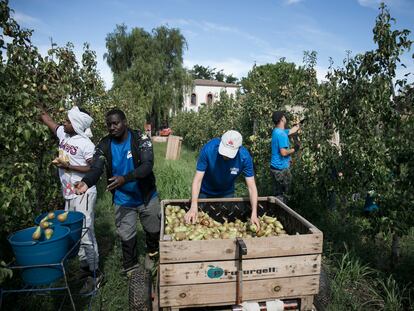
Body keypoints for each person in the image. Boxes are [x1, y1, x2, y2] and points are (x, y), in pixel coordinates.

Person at [74, 108, 160, 276]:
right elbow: (97, 167)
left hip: (146, 195)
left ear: (124, 122)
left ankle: (152, 254)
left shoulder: (141, 139)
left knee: (153, 230)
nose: (112, 127)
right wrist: (86, 182)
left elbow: (147, 166)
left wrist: (124, 179)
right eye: (109, 124)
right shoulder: (104, 144)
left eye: (115, 123)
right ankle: (131, 266)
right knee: (126, 235)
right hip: (123, 198)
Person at [40, 106, 103, 294]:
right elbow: (49, 121)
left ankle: (95, 273)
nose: (64, 123)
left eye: (67, 121)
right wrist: (37, 104)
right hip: (69, 193)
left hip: (83, 193)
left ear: (75, 125)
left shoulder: (87, 145)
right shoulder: (64, 134)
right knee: (76, 233)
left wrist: (70, 166)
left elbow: (94, 170)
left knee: (86, 231)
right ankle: (85, 271)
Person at [184, 130, 260, 228]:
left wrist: (254, 212)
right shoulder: (208, 149)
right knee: (200, 223)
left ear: (239, 149)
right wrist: (193, 206)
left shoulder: (244, 157)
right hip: (205, 192)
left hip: (226, 193)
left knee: (224, 224)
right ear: (220, 142)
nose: (226, 156)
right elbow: (197, 180)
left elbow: (251, 187)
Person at [270, 111, 300, 203]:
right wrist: (295, 149)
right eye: (284, 116)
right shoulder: (281, 134)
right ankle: (281, 213)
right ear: (282, 119)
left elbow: (290, 131)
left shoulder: (276, 131)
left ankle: (276, 213)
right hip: (281, 170)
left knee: (277, 194)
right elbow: (283, 152)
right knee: (284, 196)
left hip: (274, 168)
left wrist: (297, 126)